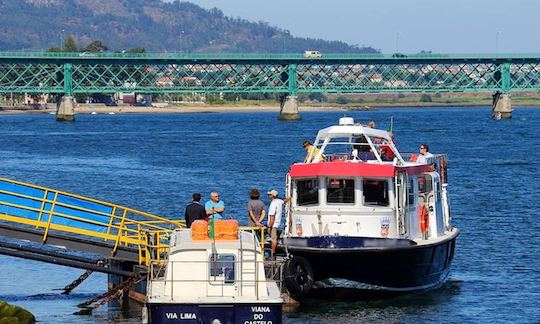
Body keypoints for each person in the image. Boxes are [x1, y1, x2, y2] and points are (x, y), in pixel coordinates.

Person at [266, 190, 291, 258]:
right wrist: (290, 197)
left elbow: (272, 217)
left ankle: (272, 254)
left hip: (273, 225)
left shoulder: (273, 204)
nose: (268, 196)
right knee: (273, 238)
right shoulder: (279, 201)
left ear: (273, 196)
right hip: (277, 223)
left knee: (273, 239)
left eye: (269, 195)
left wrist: (269, 226)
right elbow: (284, 201)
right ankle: (273, 253)